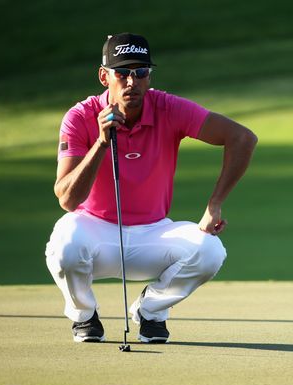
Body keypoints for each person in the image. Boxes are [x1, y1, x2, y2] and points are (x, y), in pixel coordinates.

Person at [45, 33, 257, 343]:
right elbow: (67, 198)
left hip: (153, 233)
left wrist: (215, 203)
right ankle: (84, 314)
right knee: (65, 243)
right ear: (105, 77)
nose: (132, 81)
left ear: (149, 76)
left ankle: (151, 311)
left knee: (210, 250)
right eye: (123, 73)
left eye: (141, 72)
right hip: (95, 232)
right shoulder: (80, 117)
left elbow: (242, 138)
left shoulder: (167, 107)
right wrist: (102, 143)